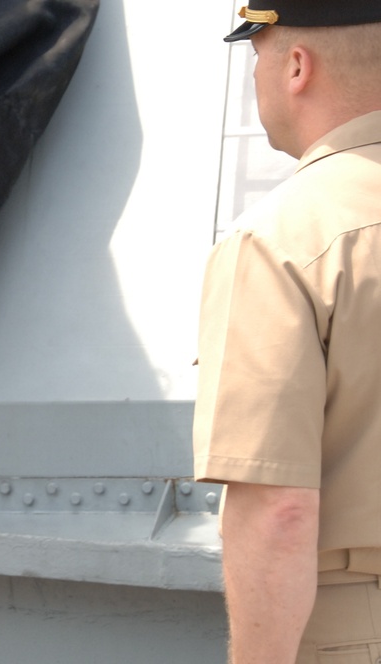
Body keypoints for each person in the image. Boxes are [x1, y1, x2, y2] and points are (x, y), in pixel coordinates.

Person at [192, 2, 381, 662]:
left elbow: (280, 512)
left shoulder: (277, 242)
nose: (256, 75)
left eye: (258, 54)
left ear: (297, 66)